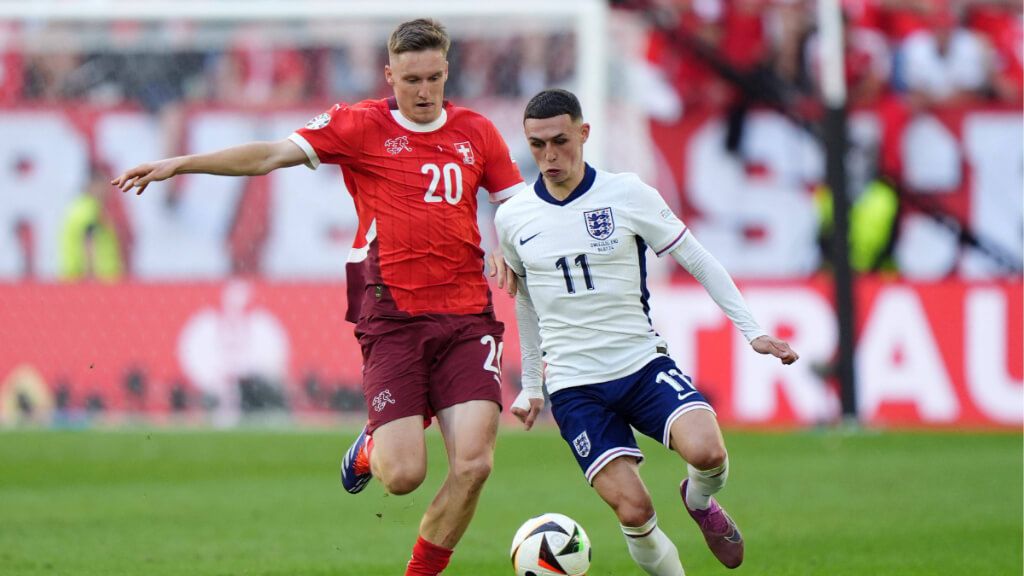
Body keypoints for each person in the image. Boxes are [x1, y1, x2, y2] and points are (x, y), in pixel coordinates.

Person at [111, 19, 524, 576]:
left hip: (468, 315)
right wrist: (182, 163)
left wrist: (508, 248)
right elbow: (268, 155)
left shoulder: (478, 132)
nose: (424, 92)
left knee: (474, 465)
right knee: (402, 477)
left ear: (447, 70)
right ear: (389, 74)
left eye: (433, 77)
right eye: (411, 79)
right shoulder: (359, 124)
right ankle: (372, 444)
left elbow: (518, 208)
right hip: (393, 315)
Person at [496, 89, 798, 575]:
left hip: (640, 364)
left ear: (584, 133)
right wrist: (533, 386)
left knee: (709, 453)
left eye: (559, 141)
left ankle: (699, 502)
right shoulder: (513, 219)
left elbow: (696, 258)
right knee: (634, 510)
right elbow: (526, 301)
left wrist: (752, 332)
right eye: (537, 145)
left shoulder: (626, 193)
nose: (549, 157)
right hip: (575, 387)